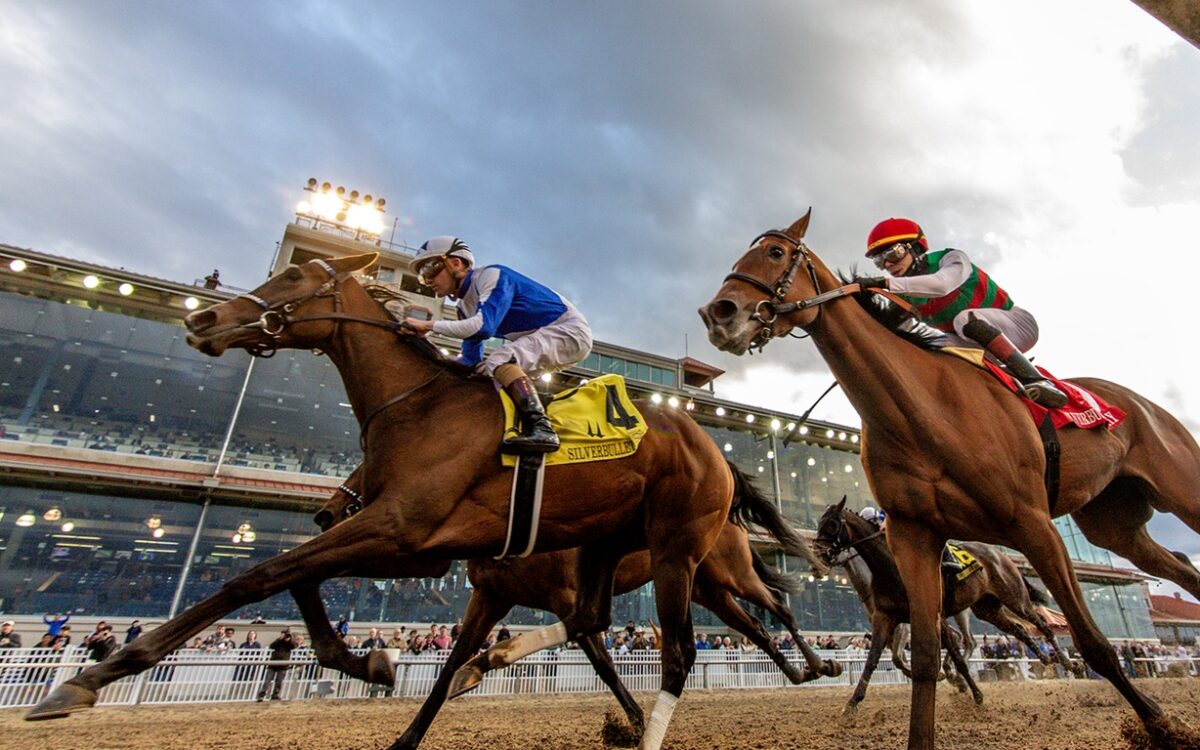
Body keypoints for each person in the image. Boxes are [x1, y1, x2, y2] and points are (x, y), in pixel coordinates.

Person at [404, 236, 593, 453]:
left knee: (499, 359)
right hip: (549, 333)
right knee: (482, 370)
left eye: (429, 268)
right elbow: (469, 360)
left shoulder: (491, 276)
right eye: (422, 275)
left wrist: (429, 325)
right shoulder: (464, 309)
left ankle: (542, 428)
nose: (427, 279)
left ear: (455, 263)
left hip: (569, 330)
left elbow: (483, 327)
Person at [860, 217, 1066, 408]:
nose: (888, 265)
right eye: (880, 261)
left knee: (963, 319)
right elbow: (893, 339)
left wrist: (883, 283)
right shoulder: (903, 296)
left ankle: (1038, 380)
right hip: (974, 342)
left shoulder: (951, 258)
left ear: (913, 248)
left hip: (1018, 326)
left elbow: (942, 285)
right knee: (932, 349)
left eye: (893, 254)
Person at [257, 629, 297, 701]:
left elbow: (294, 646)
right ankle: (262, 695)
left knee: (279, 681)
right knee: (267, 680)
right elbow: (271, 646)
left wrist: (290, 639)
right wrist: (279, 639)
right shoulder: (278, 641)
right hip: (273, 663)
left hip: (283, 664)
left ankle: (275, 695)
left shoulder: (289, 642)